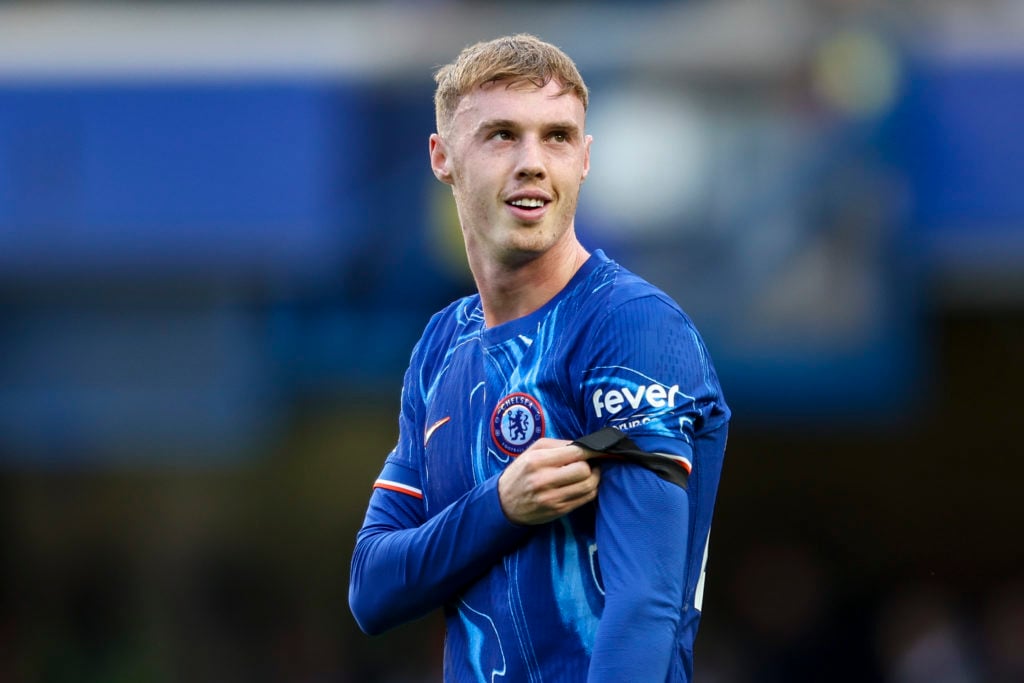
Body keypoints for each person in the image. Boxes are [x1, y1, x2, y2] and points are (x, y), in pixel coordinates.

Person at [349, 33, 730, 682]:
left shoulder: (630, 327)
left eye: (556, 137)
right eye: (501, 135)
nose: (533, 162)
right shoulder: (443, 344)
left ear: (584, 159)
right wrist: (500, 504)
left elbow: (645, 604)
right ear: (443, 158)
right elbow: (374, 585)